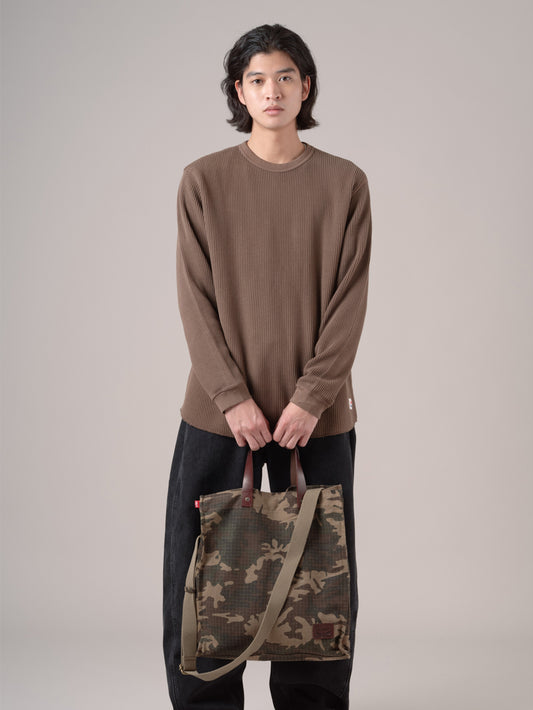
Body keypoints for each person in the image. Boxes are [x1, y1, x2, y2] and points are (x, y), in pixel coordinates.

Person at [163, 22, 372, 710]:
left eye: (285, 76)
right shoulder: (203, 181)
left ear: (305, 86)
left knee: (319, 584)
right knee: (201, 579)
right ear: (240, 92)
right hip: (219, 419)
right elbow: (194, 300)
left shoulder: (344, 183)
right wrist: (231, 397)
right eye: (257, 79)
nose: (272, 90)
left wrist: (313, 397)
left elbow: (349, 301)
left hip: (317, 422)